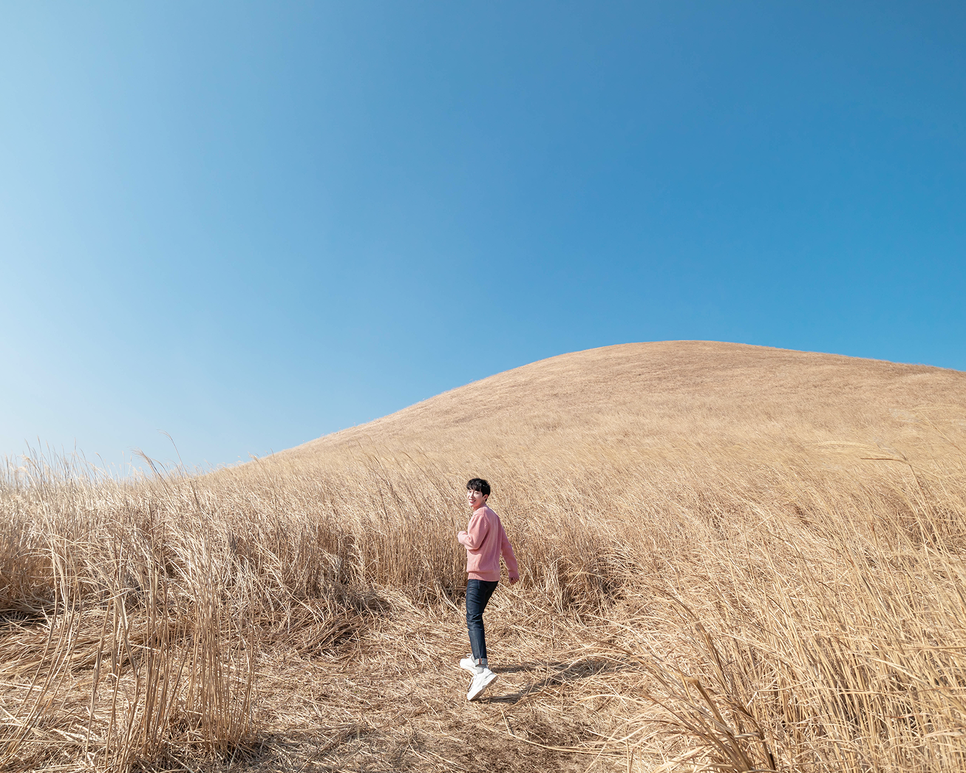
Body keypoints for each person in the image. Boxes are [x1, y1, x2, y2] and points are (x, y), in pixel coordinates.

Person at [457, 478, 519, 701]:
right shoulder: (493, 516)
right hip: (492, 577)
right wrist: (513, 570)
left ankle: (482, 669)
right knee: (476, 616)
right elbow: (505, 545)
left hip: (479, 576)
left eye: (476, 492)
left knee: (473, 618)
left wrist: (460, 535)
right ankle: (475, 658)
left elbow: (472, 542)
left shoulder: (480, 515)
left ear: (485, 496)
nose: (471, 495)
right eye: (469, 491)